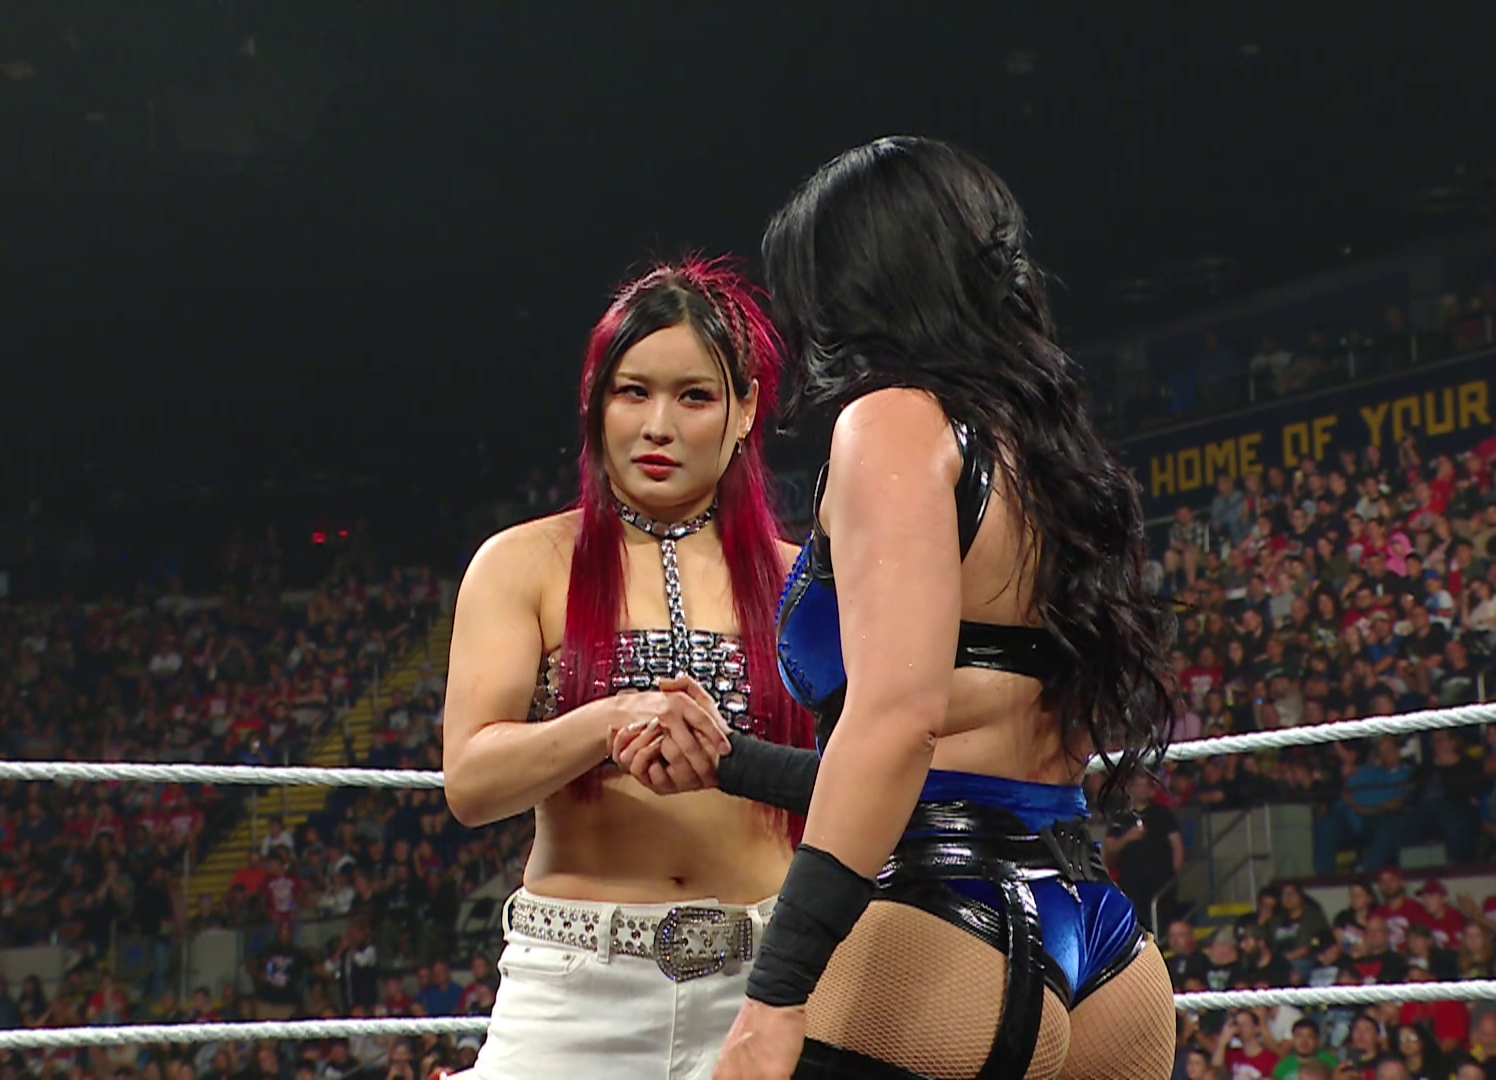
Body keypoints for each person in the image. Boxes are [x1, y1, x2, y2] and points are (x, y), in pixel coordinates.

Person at [615, 137, 1175, 1078]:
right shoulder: (1049, 450)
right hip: (1105, 944)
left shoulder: (895, 422)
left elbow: (899, 726)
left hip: (944, 924)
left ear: (856, 285)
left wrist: (776, 995)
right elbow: (962, 744)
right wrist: (735, 762)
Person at [442, 259, 817, 1079]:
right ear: (594, 401)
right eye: (632, 392)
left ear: (747, 409)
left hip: (767, 983)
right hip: (574, 991)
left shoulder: (804, 583)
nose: (658, 426)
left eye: (695, 396)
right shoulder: (520, 565)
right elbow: (470, 783)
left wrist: (737, 761)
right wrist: (607, 721)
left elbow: (866, 780)